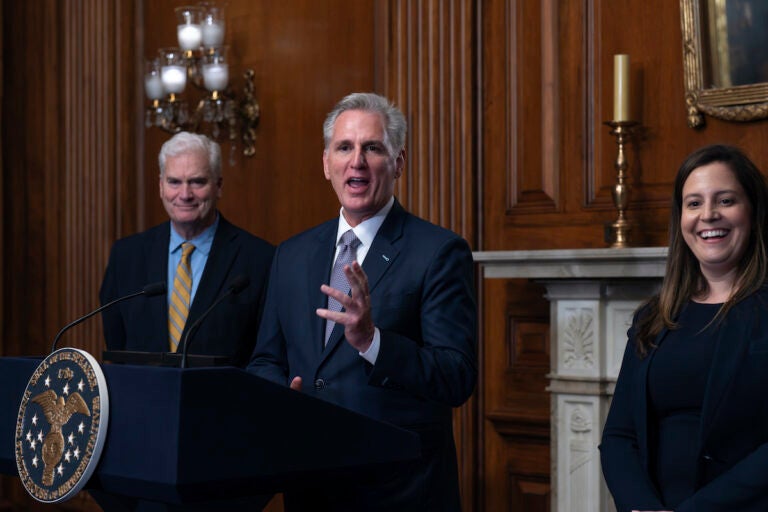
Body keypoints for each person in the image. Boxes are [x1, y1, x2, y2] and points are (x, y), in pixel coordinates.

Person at [247, 92, 477, 511]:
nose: (357, 161)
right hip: (310, 483)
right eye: (344, 147)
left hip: (399, 491)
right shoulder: (291, 254)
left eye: (372, 148)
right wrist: (281, 398)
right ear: (326, 164)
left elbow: (457, 376)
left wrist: (373, 341)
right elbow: (265, 359)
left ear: (398, 163)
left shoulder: (439, 252)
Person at [600, 144, 768, 512]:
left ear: (753, 211)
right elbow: (619, 436)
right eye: (694, 203)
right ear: (681, 219)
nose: (708, 215)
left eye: (725, 201)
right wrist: (641, 506)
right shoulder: (653, 318)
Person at [99, 132, 274, 367]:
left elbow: (263, 354)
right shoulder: (126, 256)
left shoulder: (260, 260)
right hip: (143, 399)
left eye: (197, 182)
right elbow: (117, 344)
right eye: (174, 182)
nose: (185, 195)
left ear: (218, 185)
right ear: (161, 186)